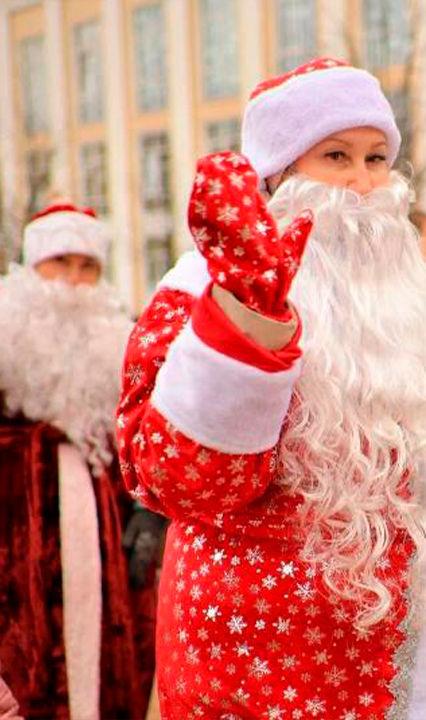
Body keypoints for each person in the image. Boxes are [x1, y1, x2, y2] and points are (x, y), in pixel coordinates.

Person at [117, 57, 426, 719]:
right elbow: (175, 480)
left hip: (420, 652)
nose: (365, 184)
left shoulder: (411, 301)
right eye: (336, 157)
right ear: (278, 177)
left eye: (377, 159)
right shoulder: (199, 291)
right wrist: (248, 321)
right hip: (269, 665)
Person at [0, 203, 152, 719]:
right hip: (16, 552)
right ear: (32, 268)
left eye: (89, 267)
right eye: (60, 262)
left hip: (105, 547)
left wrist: (147, 518)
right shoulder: (7, 339)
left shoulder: (119, 348)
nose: (73, 282)